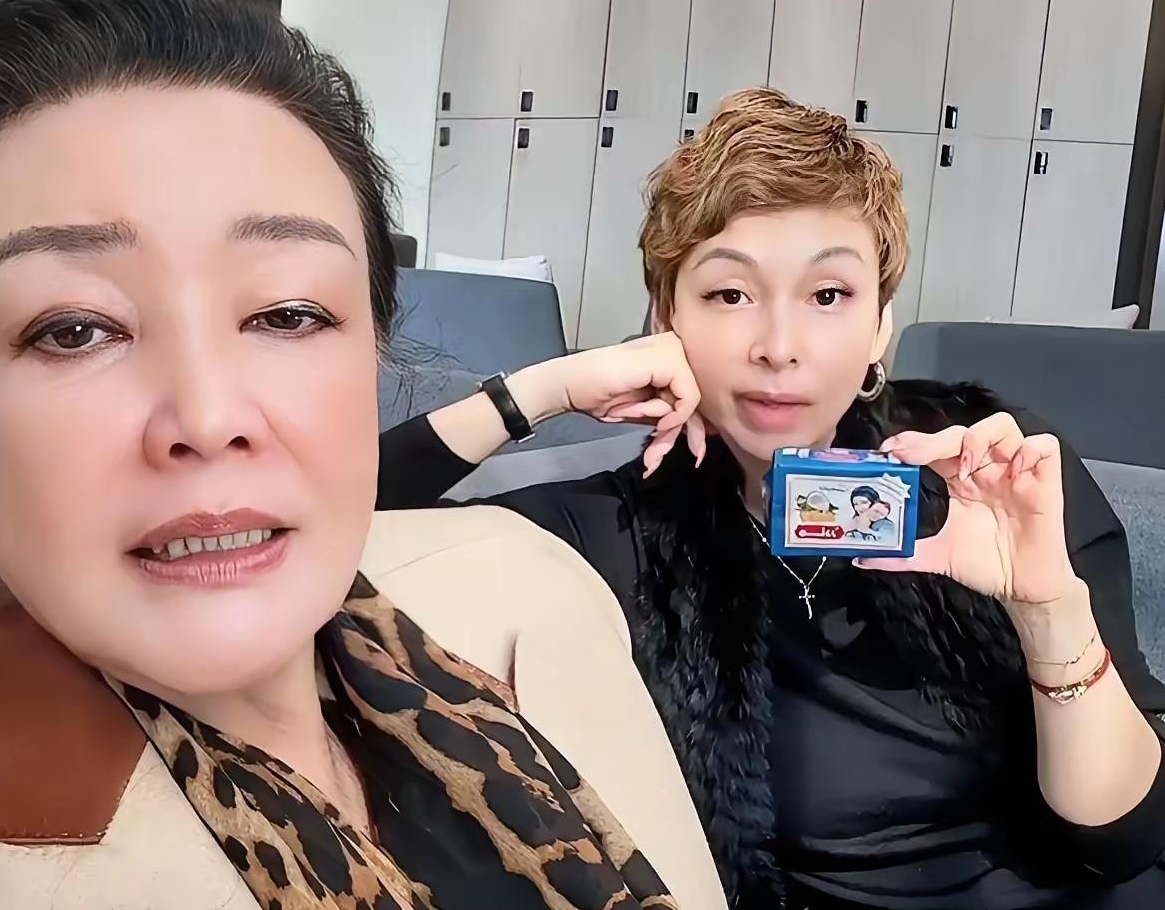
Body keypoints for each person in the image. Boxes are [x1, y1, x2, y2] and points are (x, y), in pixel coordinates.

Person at [0, 0, 725, 910]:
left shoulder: (529, 587)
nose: (207, 417)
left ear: (374, 345)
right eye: (74, 330)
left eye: (287, 313)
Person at [378, 89, 1165, 908]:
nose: (779, 348)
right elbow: (344, 534)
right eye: (730, 294)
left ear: (880, 326)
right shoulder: (620, 528)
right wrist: (542, 389)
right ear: (666, 316)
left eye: (828, 296)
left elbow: (1124, 840)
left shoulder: (992, 470)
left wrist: (1046, 609)